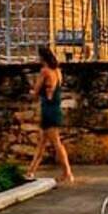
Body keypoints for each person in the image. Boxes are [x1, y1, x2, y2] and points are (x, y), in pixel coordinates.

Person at [26, 46, 74, 184]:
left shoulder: (44, 71)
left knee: (56, 143)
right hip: (55, 108)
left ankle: (68, 173)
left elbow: (35, 91)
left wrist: (31, 92)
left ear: (42, 58)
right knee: (42, 143)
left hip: (48, 110)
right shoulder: (58, 72)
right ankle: (30, 171)